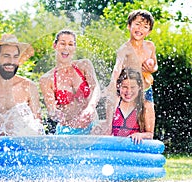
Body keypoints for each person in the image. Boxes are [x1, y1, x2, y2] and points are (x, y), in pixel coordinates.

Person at [104, 9, 158, 139]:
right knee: (112, 104)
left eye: (145, 27)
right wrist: (111, 87)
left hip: (145, 89)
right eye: (137, 24)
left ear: (149, 31)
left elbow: (155, 65)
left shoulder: (150, 46)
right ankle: (109, 131)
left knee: (147, 116)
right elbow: (117, 69)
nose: (140, 29)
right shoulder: (124, 49)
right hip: (128, 91)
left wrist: (151, 69)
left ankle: (145, 135)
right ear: (129, 26)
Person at [39, 30, 101, 135]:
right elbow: (51, 110)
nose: (66, 48)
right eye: (62, 43)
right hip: (67, 131)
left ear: (74, 48)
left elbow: (96, 89)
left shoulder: (84, 65)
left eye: (70, 44)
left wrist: (90, 108)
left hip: (92, 126)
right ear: (55, 46)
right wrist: (57, 115)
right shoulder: (46, 79)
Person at [92, 68, 153, 144]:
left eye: (133, 87)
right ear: (118, 86)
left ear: (139, 87)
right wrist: (99, 130)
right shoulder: (113, 103)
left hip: (135, 148)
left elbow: (150, 134)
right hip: (117, 148)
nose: (129, 91)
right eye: (125, 87)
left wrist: (140, 135)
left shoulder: (146, 106)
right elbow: (108, 130)